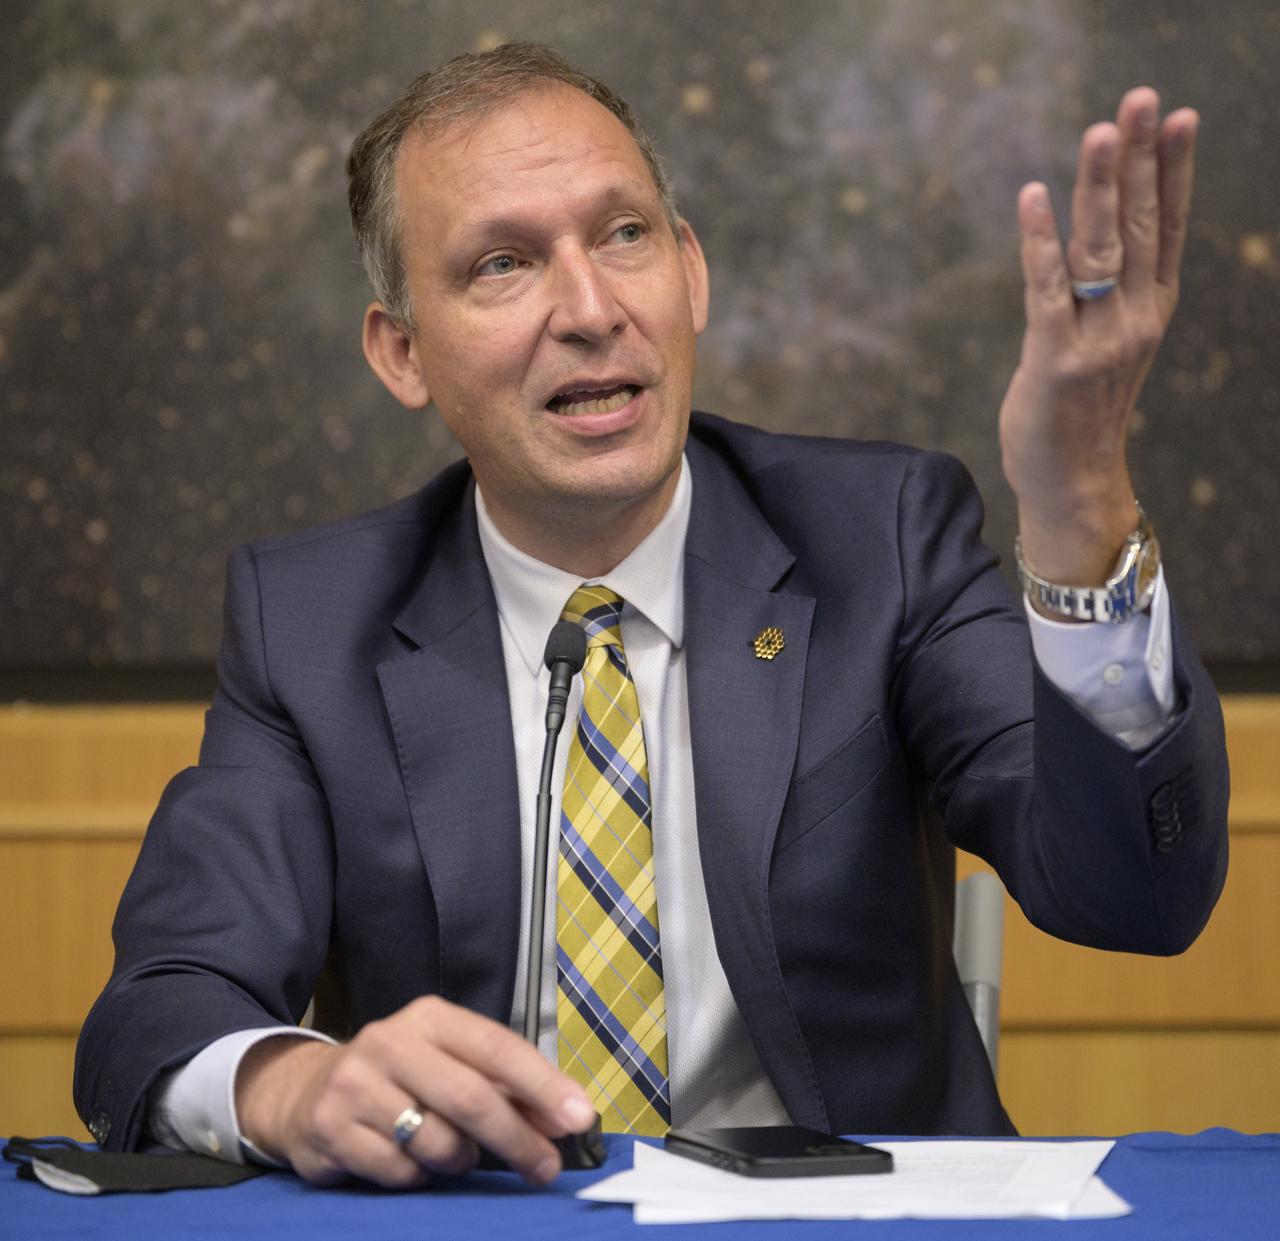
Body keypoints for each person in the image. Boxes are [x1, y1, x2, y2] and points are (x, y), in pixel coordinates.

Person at [75, 42, 1228, 1190]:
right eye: (501, 263)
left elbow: (1135, 895)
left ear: (690, 274)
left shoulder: (878, 539)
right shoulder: (311, 622)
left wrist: (1081, 504)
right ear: (403, 350)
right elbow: (162, 1005)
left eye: (623, 235)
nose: (589, 308)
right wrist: (291, 1082)